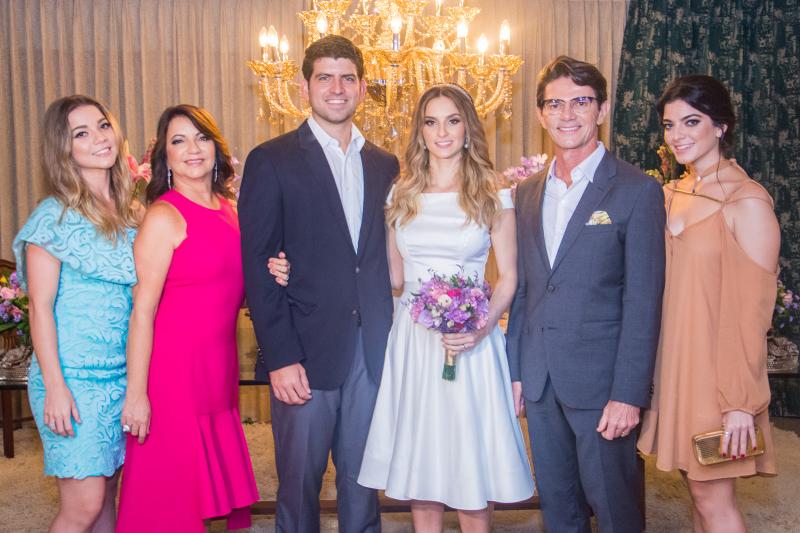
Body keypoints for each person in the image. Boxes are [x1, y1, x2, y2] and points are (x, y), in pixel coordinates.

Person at [269, 84, 535, 532]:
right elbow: (389, 275)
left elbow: (508, 276)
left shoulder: (493, 192)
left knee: (471, 459)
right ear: (420, 132)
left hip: (470, 341)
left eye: (452, 121)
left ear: (468, 128)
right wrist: (297, 266)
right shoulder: (401, 192)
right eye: (431, 122)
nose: (442, 132)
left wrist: (480, 327)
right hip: (414, 341)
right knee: (421, 461)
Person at [238, 35, 399, 532]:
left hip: (371, 351)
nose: (336, 88)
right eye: (324, 77)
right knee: (299, 487)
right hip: (303, 353)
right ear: (304, 86)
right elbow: (258, 266)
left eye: (347, 78)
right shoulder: (272, 159)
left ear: (363, 88)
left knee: (364, 484)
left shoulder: (386, 165)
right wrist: (280, 356)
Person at [506, 55, 666, 533]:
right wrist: (517, 371)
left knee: (615, 510)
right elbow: (525, 289)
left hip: (603, 387)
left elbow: (644, 302)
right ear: (541, 114)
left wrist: (628, 394)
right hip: (541, 379)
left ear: (602, 109)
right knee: (559, 509)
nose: (568, 114)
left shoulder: (637, 190)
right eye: (555, 104)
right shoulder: (527, 193)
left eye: (581, 101)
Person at [637, 75, 779, 532]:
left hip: (718, 375)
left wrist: (739, 401)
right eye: (669, 124)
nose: (677, 135)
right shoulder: (669, 194)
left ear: (720, 126)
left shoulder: (747, 201)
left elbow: (753, 313)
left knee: (713, 497)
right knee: (696, 492)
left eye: (691, 121)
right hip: (674, 366)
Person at [116, 104, 258, 532]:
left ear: (216, 147)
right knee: (170, 496)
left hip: (217, 367)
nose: (193, 149)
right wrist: (137, 394)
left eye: (201, 138)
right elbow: (142, 312)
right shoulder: (164, 216)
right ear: (166, 157)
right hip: (173, 372)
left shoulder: (230, 210)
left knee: (200, 493)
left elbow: (233, 288)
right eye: (179, 141)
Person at [13, 95, 139, 532]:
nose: (99, 138)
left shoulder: (132, 213)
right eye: (81, 133)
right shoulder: (52, 218)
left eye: (102, 125)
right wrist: (55, 388)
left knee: (108, 498)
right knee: (83, 507)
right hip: (72, 380)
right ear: (63, 148)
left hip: (121, 377)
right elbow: (40, 310)